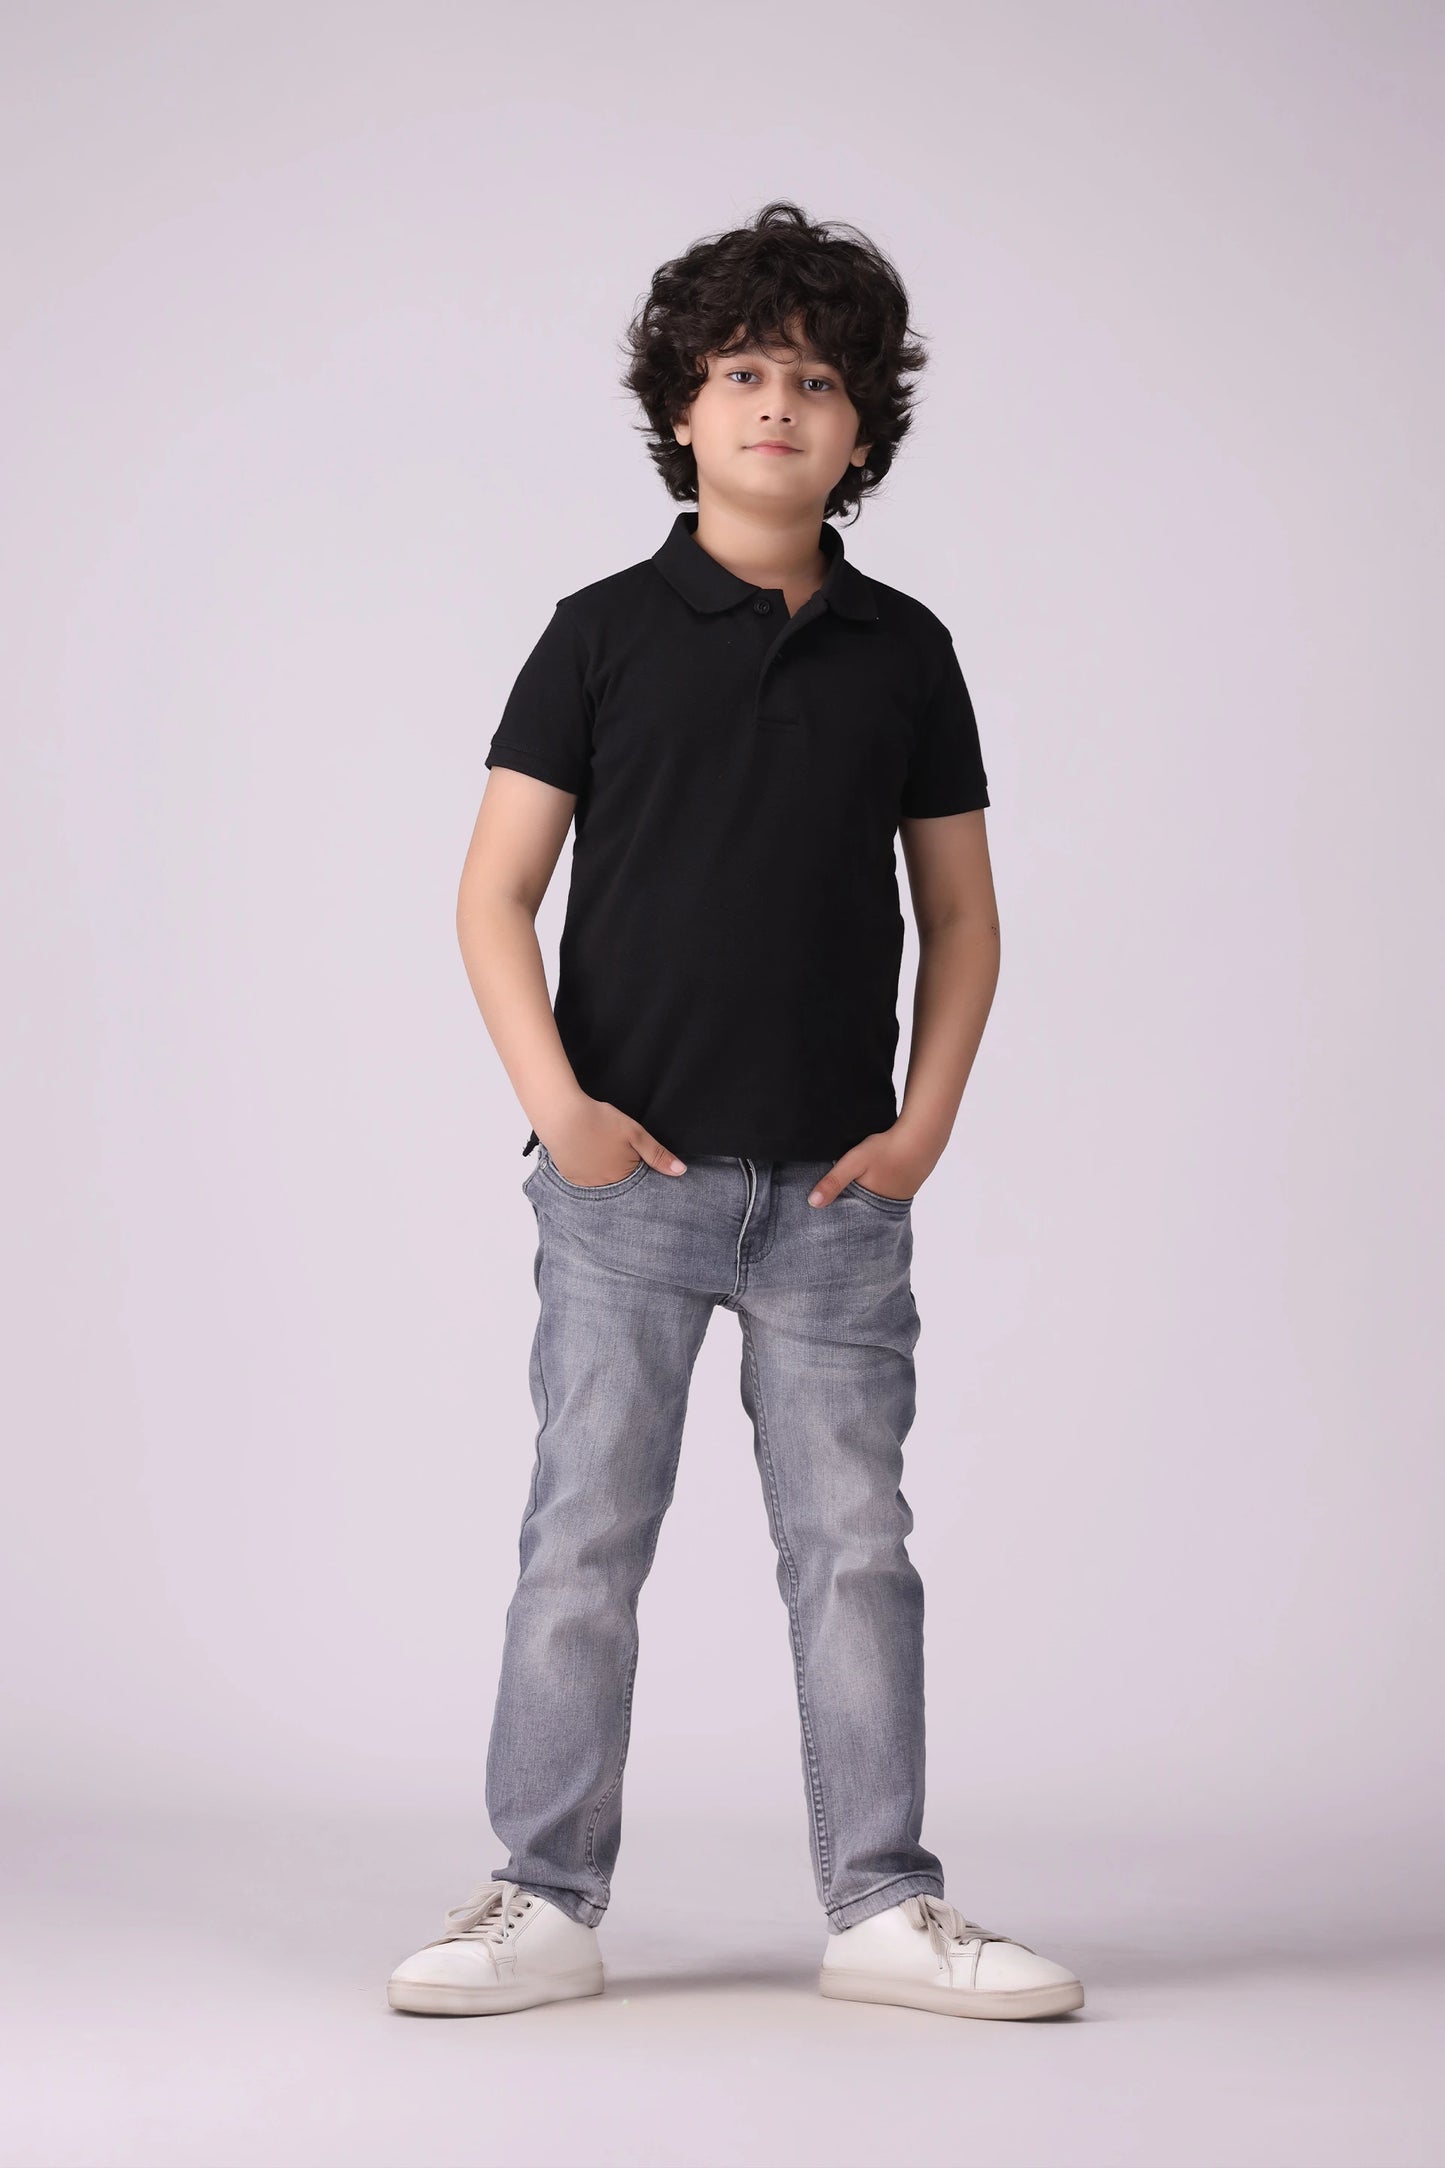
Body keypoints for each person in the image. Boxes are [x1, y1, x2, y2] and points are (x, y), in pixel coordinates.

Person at [388, 201, 1084, 2023]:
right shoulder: (598, 635)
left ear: (862, 434)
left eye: (819, 381)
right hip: (624, 1189)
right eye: (745, 372)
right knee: (581, 1540)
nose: (780, 404)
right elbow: (492, 894)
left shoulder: (904, 651)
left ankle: (882, 1903)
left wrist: (920, 1132)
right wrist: (564, 1112)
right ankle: (543, 1895)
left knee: (855, 1549)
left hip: (835, 1198)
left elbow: (962, 917)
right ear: (682, 410)